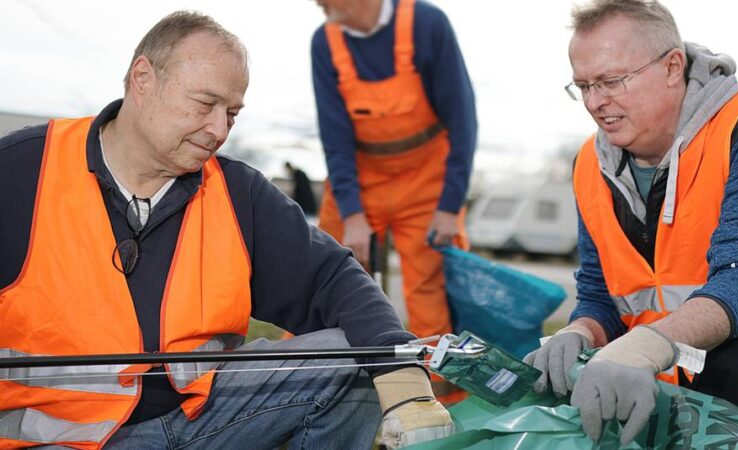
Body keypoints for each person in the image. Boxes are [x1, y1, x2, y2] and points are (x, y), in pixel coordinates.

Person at [0, 11, 453, 449]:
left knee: (353, 354)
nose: (219, 129)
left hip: (202, 426)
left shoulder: (237, 193)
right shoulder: (21, 171)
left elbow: (334, 278)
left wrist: (403, 378)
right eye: (205, 104)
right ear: (142, 79)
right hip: (57, 440)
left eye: (232, 114)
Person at [525, 0, 738, 445]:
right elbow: (602, 295)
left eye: (612, 81)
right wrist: (580, 332)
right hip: (671, 359)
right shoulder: (588, 165)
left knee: (735, 360)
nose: (596, 103)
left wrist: (644, 347)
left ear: (673, 66)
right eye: (584, 86)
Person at [311, 0, 478, 347]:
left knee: (431, 295)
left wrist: (449, 206)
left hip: (426, 181)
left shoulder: (427, 24)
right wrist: (352, 216)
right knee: (323, 280)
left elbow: (462, 119)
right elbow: (334, 137)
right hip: (359, 179)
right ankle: (309, 385)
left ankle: (440, 395)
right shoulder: (325, 41)